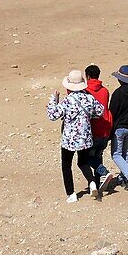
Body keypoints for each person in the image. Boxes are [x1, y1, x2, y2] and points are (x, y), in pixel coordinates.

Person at [47, 70, 105, 203]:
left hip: (69, 140)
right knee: (83, 162)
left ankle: (71, 194)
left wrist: (53, 100)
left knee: (66, 165)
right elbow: (100, 111)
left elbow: (52, 115)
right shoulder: (89, 98)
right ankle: (92, 183)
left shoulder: (67, 100)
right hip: (85, 138)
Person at [84, 65, 115, 194]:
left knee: (87, 158)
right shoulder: (105, 91)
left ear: (88, 76)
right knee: (98, 156)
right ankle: (99, 182)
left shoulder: (85, 90)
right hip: (105, 128)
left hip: (93, 129)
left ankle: (104, 173)